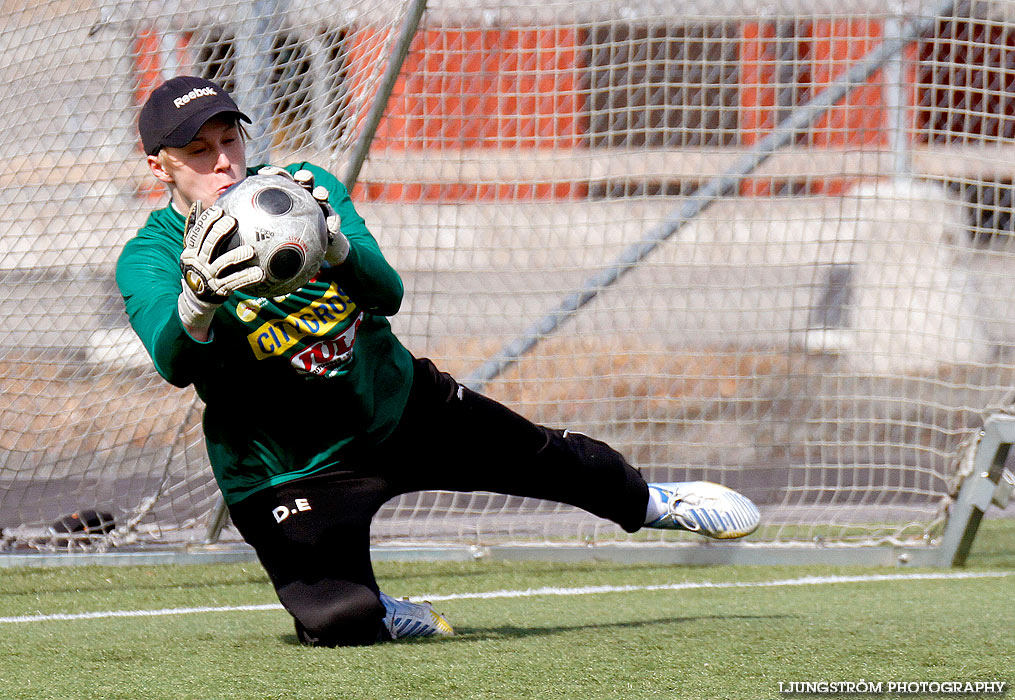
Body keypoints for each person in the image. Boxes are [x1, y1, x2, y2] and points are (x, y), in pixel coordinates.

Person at [117, 76, 761, 647]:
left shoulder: (301, 194)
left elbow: (387, 293)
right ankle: (384, 612)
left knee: (543, 456)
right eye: (199, 152)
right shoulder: (149, 256)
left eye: (229, 140)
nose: (224, 163)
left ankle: (653, 501)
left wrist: (333, 241)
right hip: (286, 469)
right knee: (339, 619)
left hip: (397, 408)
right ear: (159, 166)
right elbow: (175, 364)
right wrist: (196, 298)